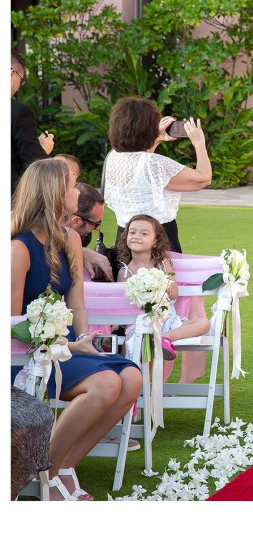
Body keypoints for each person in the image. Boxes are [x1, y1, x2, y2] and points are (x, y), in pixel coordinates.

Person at [11, 158, 141, 501]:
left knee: (131, 379)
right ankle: (46, 475)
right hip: (26, 354)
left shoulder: (69, 238)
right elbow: (10, 325)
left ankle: (62, 467)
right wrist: (60, 344)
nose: (76, 191)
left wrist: (83, 339)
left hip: (65, 347)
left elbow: (76, 302)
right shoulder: (19, 248)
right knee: (105, 384)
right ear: (54, 193)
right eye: (71, 185)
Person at [104, 97, 212, 252]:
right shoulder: (153, 164)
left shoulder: (112, 156)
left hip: (125, 238)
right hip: (158, 240)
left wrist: (156, 139)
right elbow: (203, 178)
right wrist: (199, 144)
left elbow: (139, 157)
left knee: (127, 275)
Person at [117, 214, 211, 361]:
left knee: (204, 323)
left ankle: (164, 338)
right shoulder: (124, 272)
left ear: (155, 241)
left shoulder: (162, 263)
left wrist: (160, 287)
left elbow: (174, 294)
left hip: (167, 319)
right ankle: (137, 377)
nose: (136, 236)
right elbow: (124, 303)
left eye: (144, 234)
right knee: (132, 346)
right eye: (132, 232)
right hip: (139, 323)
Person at [11, 49, 53, 192]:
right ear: (11, 73)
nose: (18, 87)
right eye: (20, 80)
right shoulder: (18, 112)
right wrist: (43, 149)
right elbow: (32, 164)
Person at [63, 182, 114, 282]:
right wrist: (79, 252)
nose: (98, 228)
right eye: (95, 223)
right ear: (76, 221)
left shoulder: (83, 238)